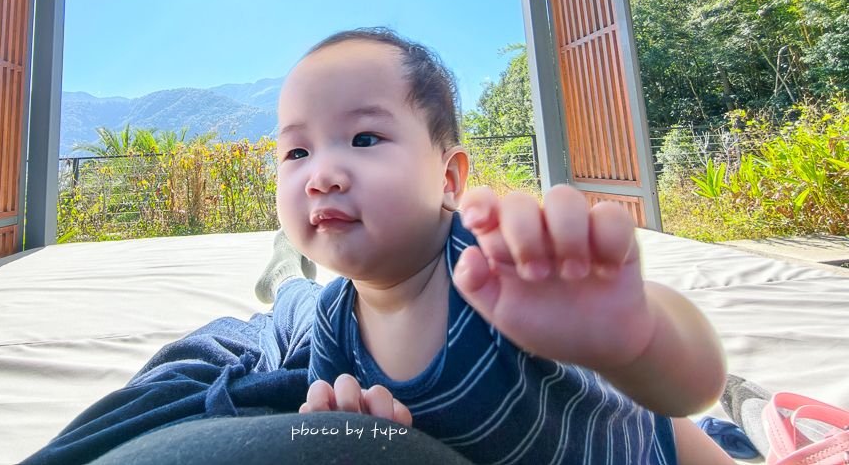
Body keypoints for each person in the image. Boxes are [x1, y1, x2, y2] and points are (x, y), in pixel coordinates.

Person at [261, 27, 735, 465]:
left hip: (654, 447)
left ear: (447, 179)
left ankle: (284, 275)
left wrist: (636, 337)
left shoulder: (492, 262)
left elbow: (697, 386)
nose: (320, 177)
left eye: (364, 138)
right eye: (297, 152)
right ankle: (286, 278)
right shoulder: (332, 323)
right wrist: (363, 434)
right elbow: (333, 429)